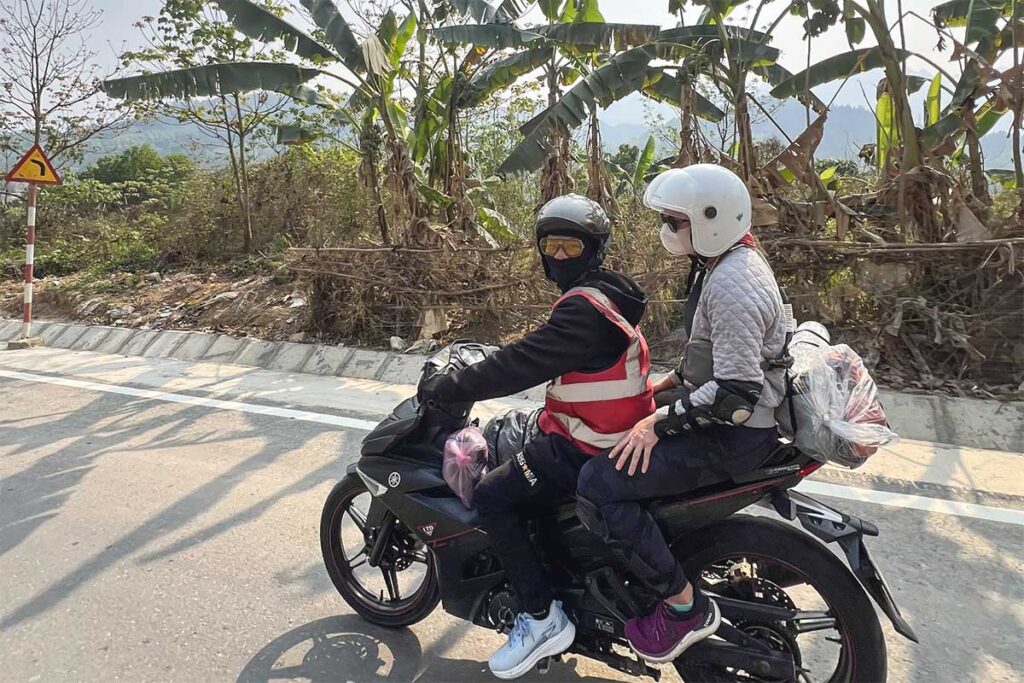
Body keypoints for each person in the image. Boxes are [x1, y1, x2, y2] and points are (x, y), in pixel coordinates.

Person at [421, 194, 655, 680]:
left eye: (572, 246)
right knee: (526, 456)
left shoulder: (583, 311)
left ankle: (540, 617)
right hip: (612, 430)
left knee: (493, 494)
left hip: (589, 445)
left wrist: (453, 386)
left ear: (594, 250)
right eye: (552, 246)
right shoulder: (611, 295)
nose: (560, 256)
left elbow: (522, 362)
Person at [575, 164, 790, 664]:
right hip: (731, 416)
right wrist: (660, 389)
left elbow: (735, 391)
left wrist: (657, 422)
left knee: (598, 483)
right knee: (623, 428)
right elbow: (713, 358)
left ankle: (682, 606)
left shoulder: (731, 281)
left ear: (712, 219)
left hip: (735, 433)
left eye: (675, 221)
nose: (667, 230)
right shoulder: (730, 261)